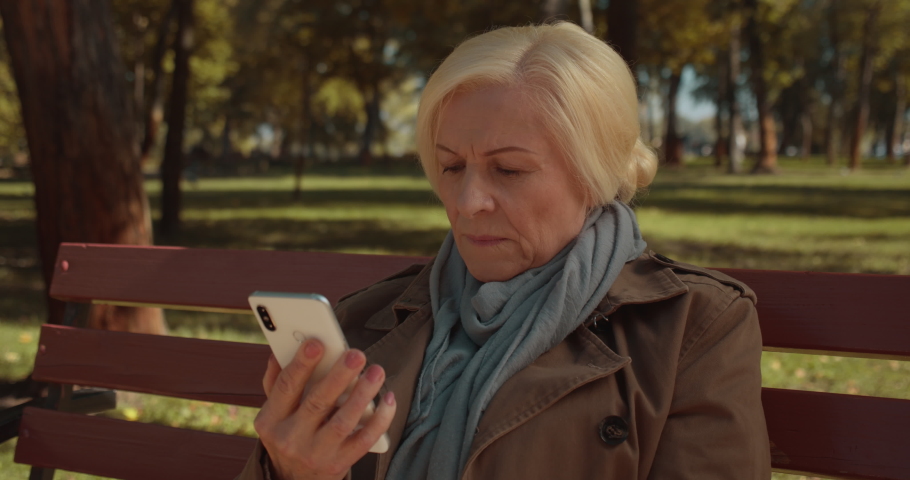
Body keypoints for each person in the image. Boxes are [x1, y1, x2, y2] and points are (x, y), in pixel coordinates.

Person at [237, 22, 770, 480]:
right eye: (450, 167)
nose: (467, 203)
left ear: (595, 175)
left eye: (509, 170)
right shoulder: (361, 323)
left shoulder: (693, 327)